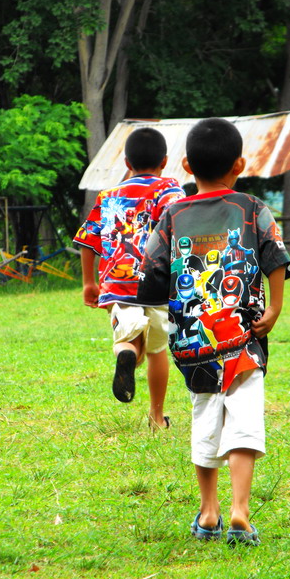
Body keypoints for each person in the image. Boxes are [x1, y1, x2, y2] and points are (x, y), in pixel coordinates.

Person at [137, 117, 290, 544]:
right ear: (239, 164)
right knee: (244, 417)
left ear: (186, 166)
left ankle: (209, 513)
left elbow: (150, 277)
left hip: (192, 343)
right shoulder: (252, 209)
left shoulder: (172, 215)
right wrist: (275, 307)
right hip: (244, 338)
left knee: (205, 417)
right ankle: (241, 509)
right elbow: (275, 259)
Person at [73, 127, 185, 429]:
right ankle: (156, 416)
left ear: (126, 162)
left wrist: (88, 283)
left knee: (127, 338)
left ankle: (124, 354)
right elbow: (181, 234)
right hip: (160, 285)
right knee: (157, 350)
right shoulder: (171, 191)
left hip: (118, 283)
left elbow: (88, 240)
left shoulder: (108, 197)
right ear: (164, 161)